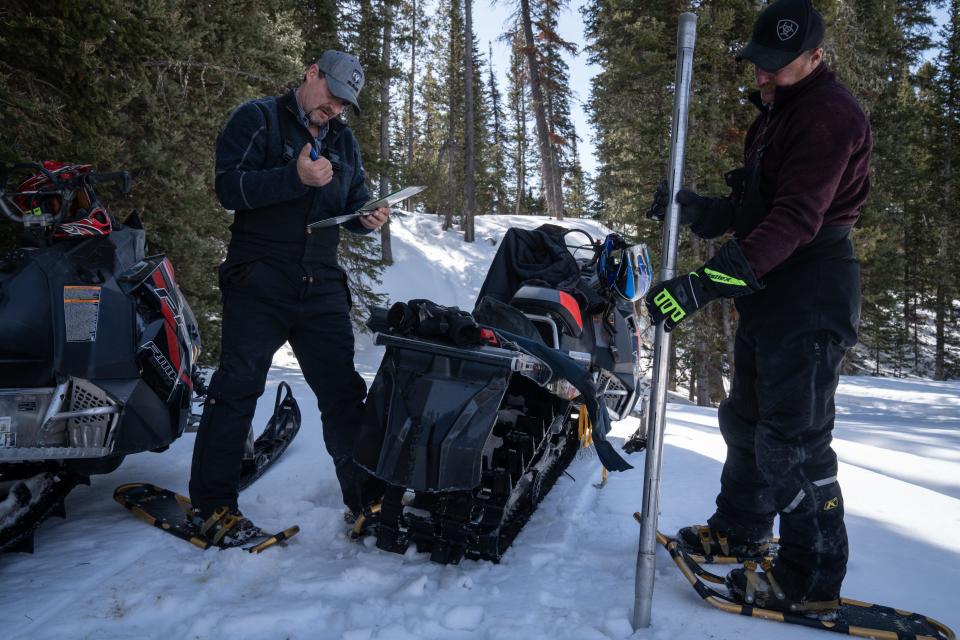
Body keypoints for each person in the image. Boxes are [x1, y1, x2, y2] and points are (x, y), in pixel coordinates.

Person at [646, 0, 872, 615]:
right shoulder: (781, 110)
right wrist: (701, 209)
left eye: (777, 66)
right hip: (771, 292)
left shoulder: (829, 117)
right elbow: (759, 205)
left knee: (792, 444)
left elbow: (796, 220)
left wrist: (703, 285)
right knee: (745, 420)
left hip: (812, 292)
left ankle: (812, 576)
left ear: (816, 57)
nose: (763, 76)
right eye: (759, 64)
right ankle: (743, 528)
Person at [189, 50, 389, 543]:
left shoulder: (343, 141)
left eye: (345, 104)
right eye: (333, 96)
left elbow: (354, 199)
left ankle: (367, 502)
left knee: (344, 395)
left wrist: (367, 217)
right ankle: (214, 507)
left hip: (320, 282)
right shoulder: (256, 118)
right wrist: (292, 177)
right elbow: (228, 188)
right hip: (260, 277)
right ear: (312, 74)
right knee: (237, 389)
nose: (336, 110)